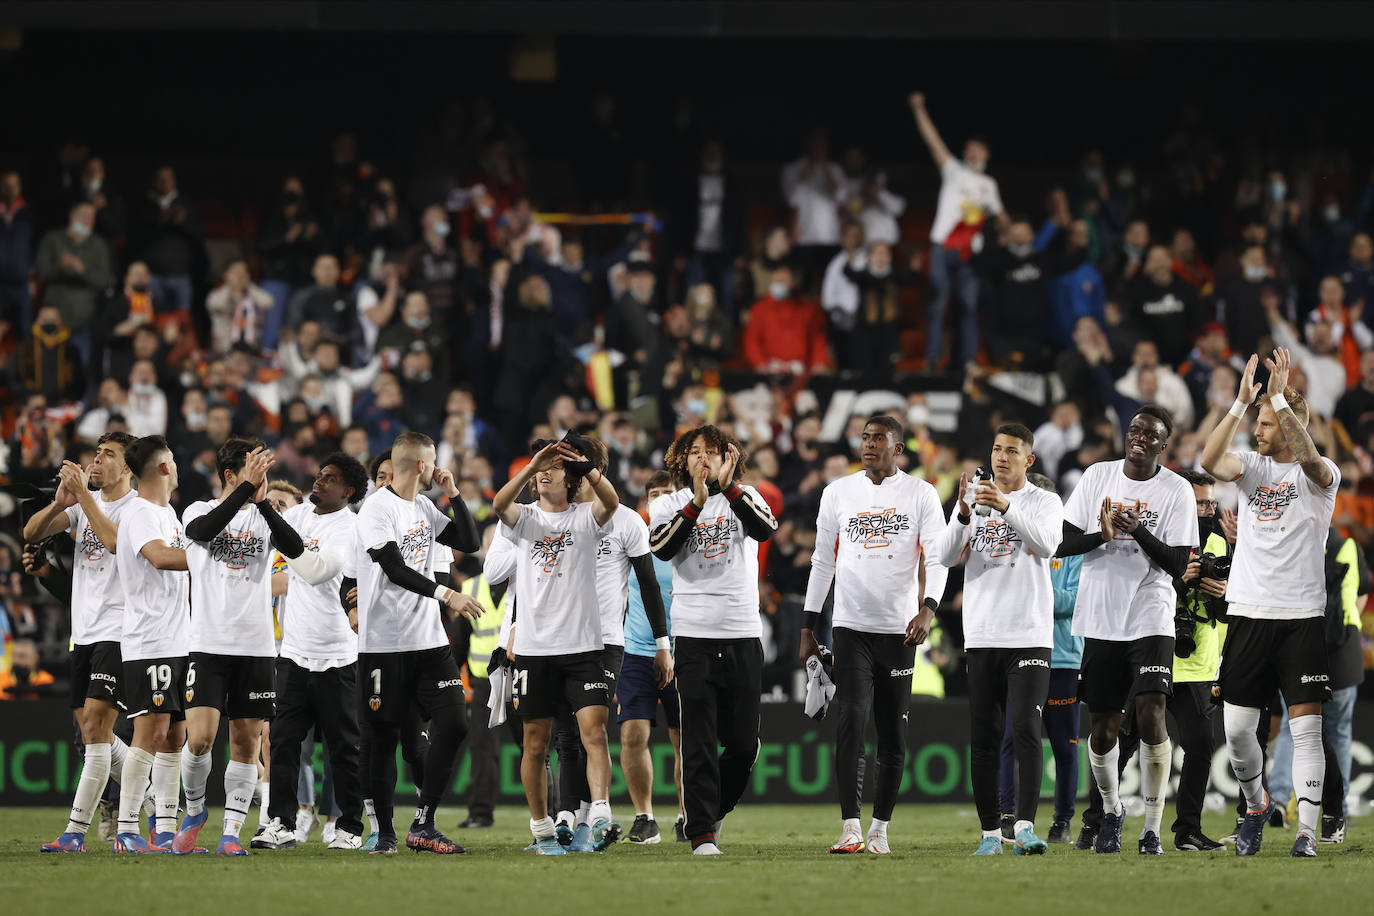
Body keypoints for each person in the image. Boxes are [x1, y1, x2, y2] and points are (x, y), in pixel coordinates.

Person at [1200, 350, 1340, 858]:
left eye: (1266, 422)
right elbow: (1209, 462)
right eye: (1257, 422)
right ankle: (1256, 805)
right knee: (1238, 731)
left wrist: (1280, 398)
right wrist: (1240, 403)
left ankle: (1305, 831)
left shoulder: (1320, 476)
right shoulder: (1253, 468)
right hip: (1249, 612)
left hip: (1301, 616)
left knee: (1306, 730)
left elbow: (1308, 458)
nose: (1258, 431)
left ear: (1288, 424)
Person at [802, 416, 949, 855]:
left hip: (899, 631)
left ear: (898, 449)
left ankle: (880, 828)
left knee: (893, 733)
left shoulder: (920, 494)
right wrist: (809, 626)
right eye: (865, 437)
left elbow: (938, 560)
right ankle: (850, 826)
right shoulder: (837, 493)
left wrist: (928, 609)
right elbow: (821, 562)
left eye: (878, 439)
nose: (868, 445)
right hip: (850, 627)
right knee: (851, 720)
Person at [1057, 404, 1198, 855]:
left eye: (1149, 433)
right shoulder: (1098, 476)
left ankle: (1151, 828)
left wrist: (1138, 531)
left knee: (1151, 713)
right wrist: (1101, 534)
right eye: (1134, 429)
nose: (1138, 437)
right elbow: (1062, 540)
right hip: (1100, 614)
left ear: (1164, 443)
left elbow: (1179, 564)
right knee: (1102, 730)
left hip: (1150, 612)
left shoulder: (1176, 490)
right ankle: (1113, 811)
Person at [1077, 470, 1231, 853]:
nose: (1206, 510)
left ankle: (1183, 830)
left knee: (1199, 746)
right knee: (1116, 739)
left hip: (1195, 662)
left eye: (1211, 503)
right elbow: (1162, 571)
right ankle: (1097, 822)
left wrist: (1221, 591)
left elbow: (1228, 611)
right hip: (1140, 643)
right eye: (1200, 503)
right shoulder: (1160, 521)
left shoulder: (1218, 542)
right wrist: (1183, 578)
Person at [343, 431, 481, 855]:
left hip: (430, 643)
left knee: (455, 723)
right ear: (422, 465)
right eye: (435, 461)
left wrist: (454, 495)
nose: (438, 467)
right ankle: (384, 833)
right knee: (382, 740)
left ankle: (424, 822)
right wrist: (447, 594)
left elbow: (470, 542)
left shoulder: (422, 505)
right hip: (384, 644)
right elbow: (394, 569)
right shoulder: (376, 509)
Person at [491, 435, 626, 855]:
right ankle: (542, 827)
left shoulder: (586, 517)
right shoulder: (525, 518)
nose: (545, 474)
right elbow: (498, 504)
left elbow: (613, 501)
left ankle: (600, 809)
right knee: (535, 742)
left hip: (583, 645)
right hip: (534, 648)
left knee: (595, 732)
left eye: (554, 469)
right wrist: (533, 465)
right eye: (540, 471)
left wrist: (583, 464)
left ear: (570, 480)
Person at [170, 440, 304, 857]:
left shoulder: (265, 516)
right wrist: (246, 491)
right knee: (200, 740)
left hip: (256, 646)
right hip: (208, 643)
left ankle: (231, 832)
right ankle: (194, 811)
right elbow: (201, 534)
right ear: (231, 474)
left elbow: (295, 549)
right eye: (252, 470)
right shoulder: (197, 510)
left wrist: (262, 502)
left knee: (246, 743)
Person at [649, 425, 778, 855]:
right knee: (698, 738)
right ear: (682, 460)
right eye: (694, 452)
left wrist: (729, 489)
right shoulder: (669, 502)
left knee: (742, 745)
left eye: (711, 452)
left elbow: (764, 531)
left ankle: (708, 811)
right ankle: (702, 832)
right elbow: (662, 549)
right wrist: (697, 503)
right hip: (693, 634)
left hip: (742, 631)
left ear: (728, 456)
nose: (702, 459)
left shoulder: (748, 495)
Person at [936, 424, 1063, 856]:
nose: (1001, 457)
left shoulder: (1045, 501)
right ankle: (991, 834)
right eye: (996, 449)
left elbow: (1047, 545)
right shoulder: (972, 499)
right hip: (983, 634)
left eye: (1012, 451)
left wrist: (1005, 506)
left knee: (1026, 729)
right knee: (986, 737)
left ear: (1029, 460)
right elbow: (945, 556)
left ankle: (1024, 827)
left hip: (1029, 633)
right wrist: (964, 515)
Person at [550, 437, 671, 850]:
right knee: (567, 736)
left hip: (604, 641)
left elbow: (649, 587)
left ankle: (594, 815)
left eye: (567, 462)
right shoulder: (553, 515)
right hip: (556, 638)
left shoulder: (625, 521)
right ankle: (574, 819)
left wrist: (661, 642)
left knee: (593, 730)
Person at [28, 433, 139, 852]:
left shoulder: (139, 510)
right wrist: (60, 503)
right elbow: (30, 532)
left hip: (120, 629)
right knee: (93, 733)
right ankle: (152, 793)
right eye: (96, 453)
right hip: (85, 633)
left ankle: (75, 831)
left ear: (127, 468)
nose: (97, 461)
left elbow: (113, 541)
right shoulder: (81, 508)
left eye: (108, 455)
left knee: (96, 727)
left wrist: (83, 498)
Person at [253, 456, 370, 851]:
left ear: (348, 492)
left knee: (344, 747)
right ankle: (280, 822)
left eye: (330, 478)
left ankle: (350, 827)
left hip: (338, 654)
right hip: (294, 652)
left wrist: (271, 514)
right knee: (283, 742)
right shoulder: (300, 515)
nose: (319, 481)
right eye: (320, 475)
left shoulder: (351, 528)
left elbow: (317, 570)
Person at [110, 435, 192, 853]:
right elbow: (160, 557)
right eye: (173, 459)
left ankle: (163, 828)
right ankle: (126, 827)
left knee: (175, 733)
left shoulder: (168, 512)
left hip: (177, 639)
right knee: (151, 729)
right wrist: (208, 554)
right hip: (150, 640)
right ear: (163, 467)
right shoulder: (140, 512)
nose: (176, 466)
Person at [998, 472, 1081, 846]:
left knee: (1064, 746)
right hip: (1020, 651)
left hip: (1063, 659)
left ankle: (1062, 821)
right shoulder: (1014, 544)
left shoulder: (1073, 550)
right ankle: (1007, 816)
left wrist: (1031, 596)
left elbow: (1075, 600)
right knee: (1012, 740)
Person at [908, 92, 1006, 369]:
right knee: (938, 301)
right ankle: (931, 361)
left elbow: (1003, 219)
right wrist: (919, 110)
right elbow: (933, 141)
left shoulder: (990, 185)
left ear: (987, 154)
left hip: (968, 252)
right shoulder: (953, 171)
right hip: (943, 246)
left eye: (978, 149)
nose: (972, 152)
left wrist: (1006, 229)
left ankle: (968, 362)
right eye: (969, 149)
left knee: (968, 305)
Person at [618, 471, 686, 844]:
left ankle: (685, 814)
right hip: (636, 650)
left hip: (685, 651)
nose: (660, 499)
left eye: (668, 493)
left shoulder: (690, 539)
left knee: (685, 740)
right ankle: (644, 818)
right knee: (632, 734)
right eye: (654, 494)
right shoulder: (634, 539)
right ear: (645, 502)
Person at [35, 201, 112, 364]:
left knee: (81, 370)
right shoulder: (53, 239)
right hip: (53, 320)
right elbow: (42, 272)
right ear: (72, 214)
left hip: (84, 323)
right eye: (84, 215)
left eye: (91, 217)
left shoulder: (99, 245)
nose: (87, 220)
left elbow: (104, 281)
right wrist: (60, 266)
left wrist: (82, 270)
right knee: (49, 368)